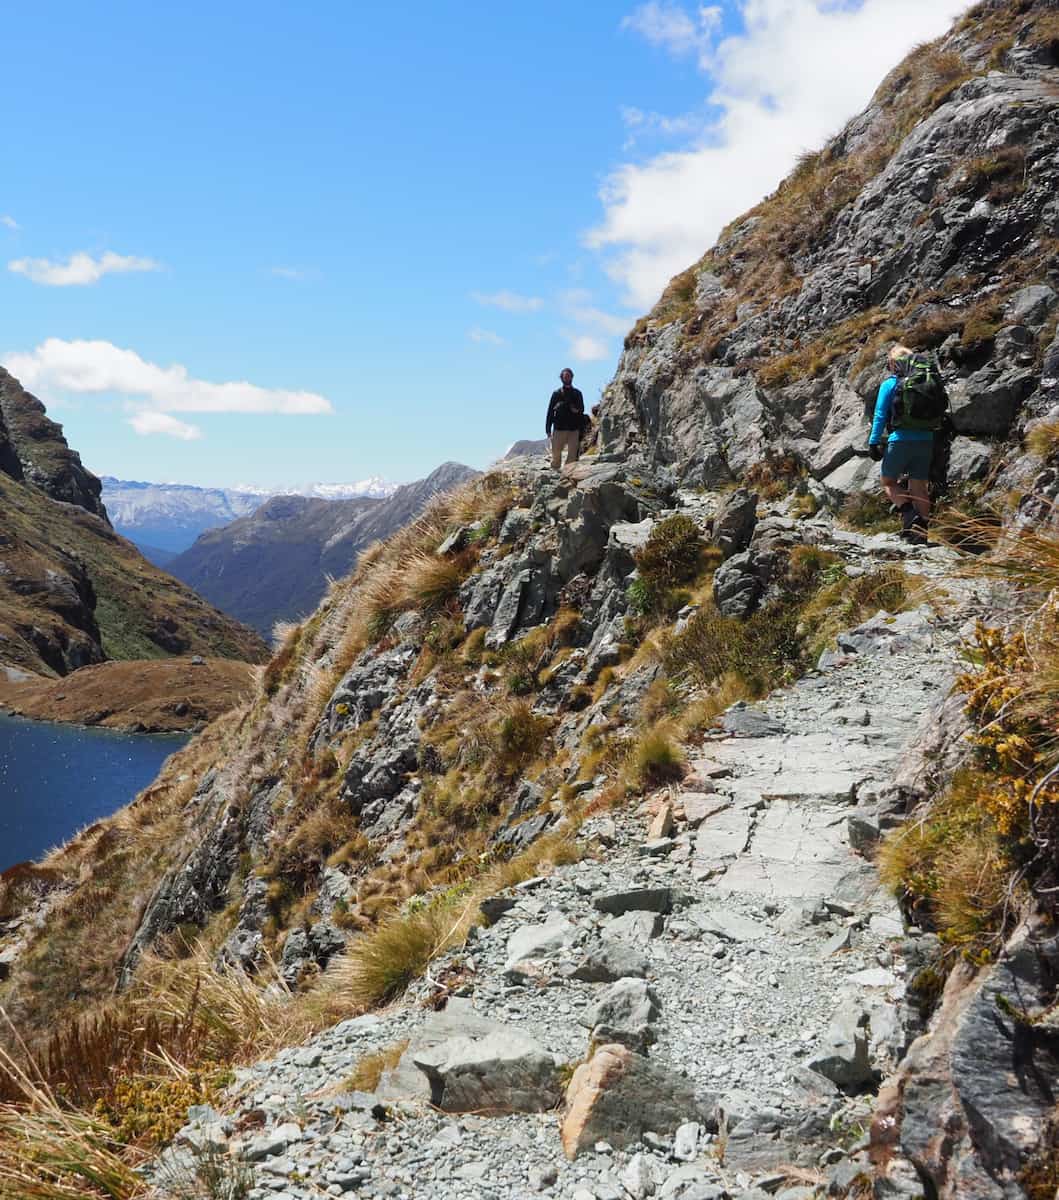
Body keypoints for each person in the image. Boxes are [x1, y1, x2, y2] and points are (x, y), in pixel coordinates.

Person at [867, 344, 936, 544]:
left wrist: (874, 442)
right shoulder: (927, 380)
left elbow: (880, 415)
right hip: (926, 440)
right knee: (919, 487)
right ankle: (921, 535)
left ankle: (909, 515)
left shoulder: (890, 384)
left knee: (888, 482)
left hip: (900, 440)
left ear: (893, 363)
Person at [546, 368, 585, 470]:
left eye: (568, 376)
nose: (567, 378)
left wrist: (575, 410)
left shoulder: (577, 393)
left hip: (574, 428)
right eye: (565, 376)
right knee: (556, 454)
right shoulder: (556, 394)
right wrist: (548, 429)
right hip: (559, 428)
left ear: (572, 377)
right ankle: (554, 475)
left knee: (572, 455)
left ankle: (567, 475)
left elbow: (582, 409)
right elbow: (550, 411)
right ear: (561, 378)